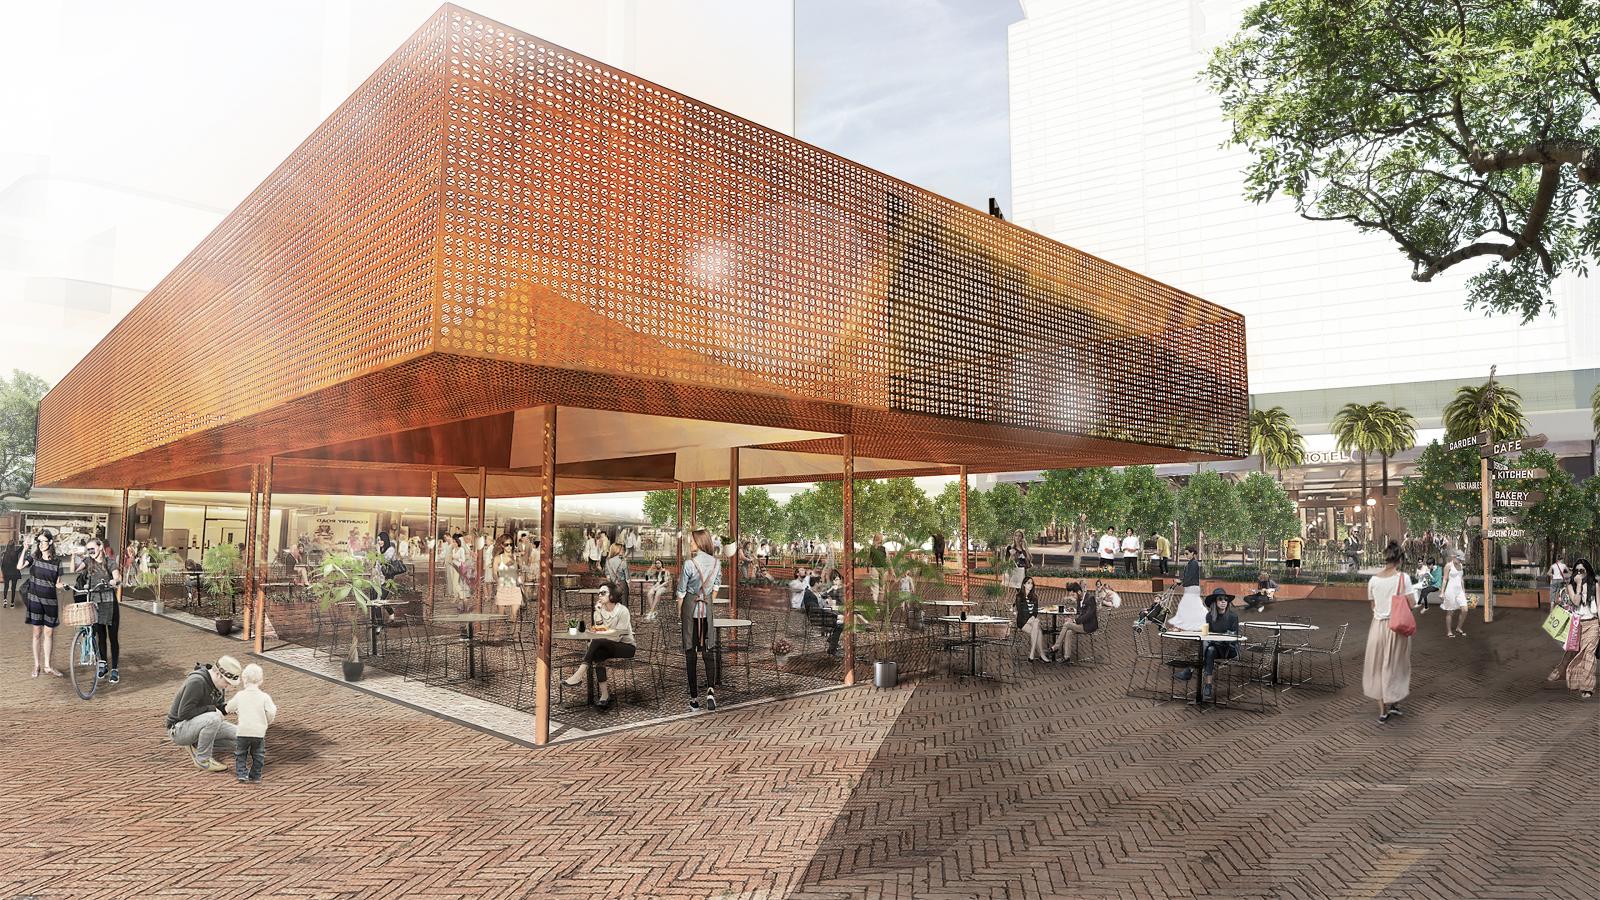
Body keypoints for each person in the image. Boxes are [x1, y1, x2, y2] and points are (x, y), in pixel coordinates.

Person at [1363, 542, 1415, 724]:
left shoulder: (1373, 580)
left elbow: (1373, 606)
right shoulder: (1403, 578)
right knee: (1395, 666)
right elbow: (1412, 603)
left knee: (1377, 667)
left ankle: (1382, 711)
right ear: (1399, 560)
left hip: (1376, 628)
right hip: (1396, 629)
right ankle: (1393, 703)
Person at [562, 584, 636, 708]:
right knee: (597, 653)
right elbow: (599, 629)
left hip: (626, 647)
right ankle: (604, 695)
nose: (599, 595)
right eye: (599, 593)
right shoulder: (600, 611)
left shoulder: (622, 611)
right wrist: (597, 613)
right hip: (607, 645)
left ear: (612, 595)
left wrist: (599, 635)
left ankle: (579, 674)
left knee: (597, 642)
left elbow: (618, 636)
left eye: (603, 593)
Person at [167, 655, 243, 771]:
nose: (228, 686)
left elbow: (217, 709)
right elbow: (184, 713)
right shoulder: (197, 682)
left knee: (244, 738)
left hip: (201, 722)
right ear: (218, 674)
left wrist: (229, 707)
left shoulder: (218, 684)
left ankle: (197, 743)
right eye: (227, 682)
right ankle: (202, 760)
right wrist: (211, 709)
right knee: (214, 718)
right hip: (178, 729)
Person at [676, 529, 722, 712]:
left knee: (690, 652)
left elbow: (681, 592)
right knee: (707, 650)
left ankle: (694, 698)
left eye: (692, 541)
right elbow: (716, 587)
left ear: (700, 541)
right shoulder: (717, 564)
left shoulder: (689, 563)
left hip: (690, 610)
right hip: (706, 611)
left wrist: (680, 612)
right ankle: (710, 690)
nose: (690, 543)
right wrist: (707, 599)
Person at [1176, 588, 1240, 700]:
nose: (1224, 601)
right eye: (1220, 599)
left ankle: (1190, 669)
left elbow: (1234, 637)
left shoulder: (1233, 617)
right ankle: (1208, 685)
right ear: (1215, 602)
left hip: (1229, 649)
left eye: (1226, 599)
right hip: (1214, 649)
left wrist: (1217, 639)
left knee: (1208, 647)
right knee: (1209, 649)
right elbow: (1206, 633)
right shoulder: (1209, 616)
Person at [1549, 559, 1597, 698]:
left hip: (1592, 624)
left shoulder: (1595, 585)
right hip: (1577, 624)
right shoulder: (1571, 586)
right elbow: (1576, 601)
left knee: (1589, 655)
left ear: (1588, 571)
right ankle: (1560, 671)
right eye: (1577, 571)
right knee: (1572, 651)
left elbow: (1599, 605)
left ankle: (1587, 688)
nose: (1580, 573)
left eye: (1583, 571)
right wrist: (1579, 584)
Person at [226, 663, 277, 782]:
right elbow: (271, 711)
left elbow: (229, 707)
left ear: (244, 679)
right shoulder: (264, 697)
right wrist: (267, 721)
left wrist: (233, 709)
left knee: (241, 753)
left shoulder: (240, 695)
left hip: (243, 730)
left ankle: (242, 774)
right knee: (258, 754)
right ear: (261, 681)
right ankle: (255, 775)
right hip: (258, 732)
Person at [82, 539, 123, 684]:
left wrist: (115, 580)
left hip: (109, 602)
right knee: (100, 636)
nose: (90, 552)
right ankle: (103, 664)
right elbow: (76, 568)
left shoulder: (110, 562)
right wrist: (75, 555)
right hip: (95, 603)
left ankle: (115, 669)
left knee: (112, 638)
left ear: (100, 547)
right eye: (88, 550)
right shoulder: (88, 561)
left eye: (92, 549)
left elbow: (117, 576)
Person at [24, 531, 63, 678]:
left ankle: (47, 666)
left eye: (43, 541)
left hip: (50, 601)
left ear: (51, 542)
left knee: (49, 633)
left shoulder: (57, 562)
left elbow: (57, 583)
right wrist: (24, 548)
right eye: (38, 541)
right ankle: (37, 665)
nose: (40, 544)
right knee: (36, 633)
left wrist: (62, 586)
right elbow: (19, 566)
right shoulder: (34, 557)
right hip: (35, 600)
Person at [1051, 581, 1098, 663]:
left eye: (1073, 594)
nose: (1073, 597)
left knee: (1067, 625)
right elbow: (1080, 614)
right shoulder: (1079, 600)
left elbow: (1088, 615)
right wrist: (1072, 618)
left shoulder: (1090, 598)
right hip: (1081, 624)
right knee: (1068, 631)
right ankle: (1066, 657)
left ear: (1079, 592)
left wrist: (1073, 621)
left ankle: (1056, 646)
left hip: (1089, 626)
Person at [801, 574, 844, 657]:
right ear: (816, 583)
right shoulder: (809, 594)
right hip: (816, 619)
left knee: (841, 623)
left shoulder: (816, 593)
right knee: (841, 624)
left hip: (820, 616)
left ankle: (832, 642)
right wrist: (835, 616)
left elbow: (822, 608)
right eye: (820, 582)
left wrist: (829, 607)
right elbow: (817, 610)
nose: (821, 584)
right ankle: (832, 648)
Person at [1168, 546, 1207, 631]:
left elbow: (1189, 576)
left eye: (1187, 553)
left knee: (1185, 607)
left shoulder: (1193, 563)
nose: (1185, 555)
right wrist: (1180, 581)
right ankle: (1204, 623)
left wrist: (1181, 581)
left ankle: (1181, 626)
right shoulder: (1191, 563)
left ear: (1192, 553)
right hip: (1190, 588)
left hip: (1192, 588)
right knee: (1194, 607)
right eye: (1184, 553)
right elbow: (1187, 577)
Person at [1015, 576, 1048, 662]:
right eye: (1028, 583)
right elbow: (1020, 611)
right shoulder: (1019, 597)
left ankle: (1032, 653)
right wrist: (1028, 619)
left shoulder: (1034, 597)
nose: (1030, 585)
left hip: (1032, 621)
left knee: (1036, 624)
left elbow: (1035, 611)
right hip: (1022, 621)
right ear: (1024, 585)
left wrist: (1033, 617)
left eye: (1031, 583)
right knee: (1038, 631)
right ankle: (1041, 654)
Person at [1439, 550, 1468, 637]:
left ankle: (1458, 627)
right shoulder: (1448, 566)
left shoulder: (1461, 565)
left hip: (1459, 591)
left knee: (1465, 610)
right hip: (1450, 591)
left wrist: (1464, 591)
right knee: (1450, 612)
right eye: (1459, 559)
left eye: (1461, 560)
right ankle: (1449, 631)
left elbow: (1461, 579)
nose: (1460, 561)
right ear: (1454, 557)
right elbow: (1444, 579)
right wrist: (1442, 592)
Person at [2, 537, 21, 608]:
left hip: (6, 573)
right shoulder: (15, 553)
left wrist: (3, 573)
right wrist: (26, 541)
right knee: (13, 588)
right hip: (14, 574)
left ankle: (5, 601)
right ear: (13, 546)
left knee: (6, 587)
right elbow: (22, 548)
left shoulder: (4, 554)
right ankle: (12, 603)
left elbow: (2, 565)